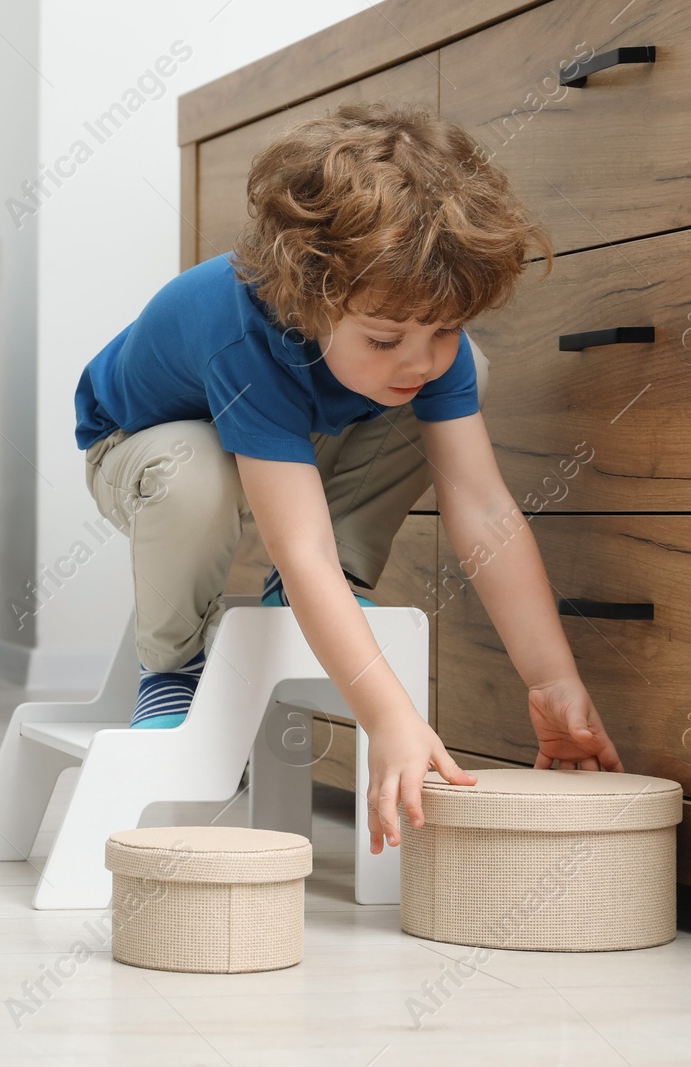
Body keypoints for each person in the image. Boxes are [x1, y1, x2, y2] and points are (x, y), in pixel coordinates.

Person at [73, 102, 624, 854]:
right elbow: (300, 551)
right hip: (136, 451)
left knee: (455, 384)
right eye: (386, 337)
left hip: (284, 434)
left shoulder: (416, 341)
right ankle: (171, 663)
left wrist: (551, 679)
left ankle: (348, 567)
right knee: (197, 469)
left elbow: (483, 503)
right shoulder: (243, 335)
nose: (421, 357)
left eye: (444, 331)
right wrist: (391, 718)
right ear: (311, 299)